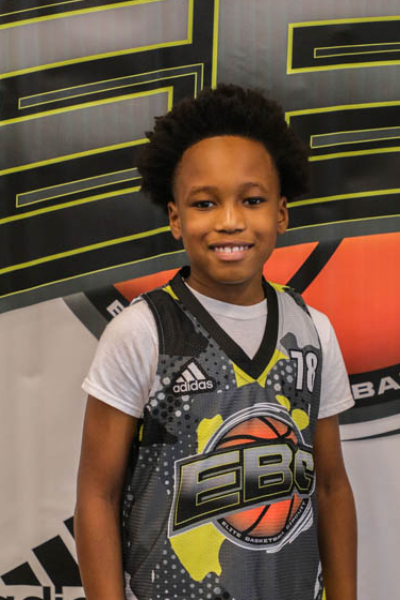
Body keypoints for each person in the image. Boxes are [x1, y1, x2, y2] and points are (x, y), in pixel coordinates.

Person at [75, 84, 357, 600]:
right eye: (205, 203)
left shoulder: (312, 332)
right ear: (176, 218)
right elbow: (98, 495)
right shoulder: (142, 333)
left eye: (252, 200)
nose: (229, 221)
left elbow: (333, 487)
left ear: (281, 213)